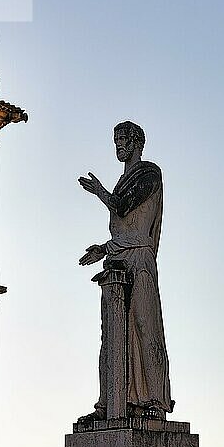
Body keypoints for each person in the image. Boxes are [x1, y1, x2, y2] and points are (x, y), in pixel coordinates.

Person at [78, 121, 174, 420]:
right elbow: (121, 228)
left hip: (140, 259)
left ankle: (154, 402)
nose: (118, 145)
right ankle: (110, 404)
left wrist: (99, 191)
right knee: (112, 337)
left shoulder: (149, 172)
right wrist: (104, 249)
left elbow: (122, 207)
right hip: (118, 257)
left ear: (136, 142)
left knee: (145, 328)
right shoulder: (123, 180)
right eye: (115, 140)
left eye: (122, 139)